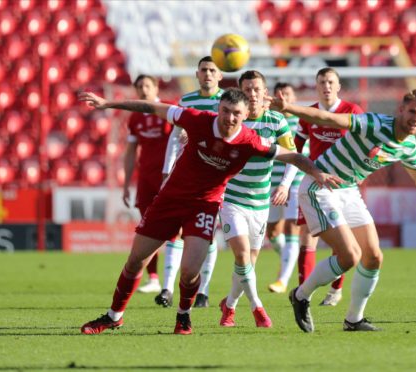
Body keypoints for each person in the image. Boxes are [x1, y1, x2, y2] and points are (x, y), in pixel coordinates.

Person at [78, 88, 342, 335]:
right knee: (136, 259)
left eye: (236, 113)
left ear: (246, 114)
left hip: (204, 205)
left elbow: (294, 156)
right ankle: (114, 316)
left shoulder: (251, 142)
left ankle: (183, 314)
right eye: (226, 110)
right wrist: (107, 103)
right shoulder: (196, 119)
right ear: (219, 107)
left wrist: (317, 173)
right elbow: (151, 106)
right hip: (169, 200)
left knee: (191, 271)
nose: (230, 117)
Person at [267, 88, 416, 333]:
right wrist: (288, 108)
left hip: (348, 190)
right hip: (321, 186)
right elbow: (329, 119)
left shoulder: (408, 146)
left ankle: (353, 320)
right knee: (349, 256)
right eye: (412, 111)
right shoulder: (373, 123)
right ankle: (301, 295)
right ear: (400, 110)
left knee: (373, 257)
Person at [218, 71, 299, 328]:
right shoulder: (232, 120)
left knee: (248, 263)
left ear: (265, 93)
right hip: (232, 199)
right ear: (241, 92)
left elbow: (293, 156)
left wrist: (285, 185)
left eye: (257, 90)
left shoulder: (276, 121)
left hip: (260, 202)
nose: (253, 95)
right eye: (248, 89)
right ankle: (258, 310)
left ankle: (229, 305)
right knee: (242, 256)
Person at [289, 67, 364, 306]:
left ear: (339, 86)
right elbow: (295, 150)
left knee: (342, 241)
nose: (327, 86)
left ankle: (335, 290)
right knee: (307, 237)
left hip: (344, 186)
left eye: (331, 82)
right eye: (322, 82)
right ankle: (303, 292)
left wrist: (361, 171)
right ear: (316, 84)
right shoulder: (309, 114)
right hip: (316, 184)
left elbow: (367, 145)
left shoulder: (352, 112)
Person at [155, 56, 224, 309]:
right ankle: (166, 288)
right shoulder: (187, 100)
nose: (207, 74)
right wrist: (166, 171)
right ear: (197, 74)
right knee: (177, 229)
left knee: (207, 234)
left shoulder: (226, 101)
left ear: (219, 75)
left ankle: (203, 291)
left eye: (212, 70)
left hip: (215, 175)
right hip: (187, 174)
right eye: (203, 70)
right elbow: (175, 138)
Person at [123, 74, 173, 294]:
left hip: (169, 177)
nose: (143, 90)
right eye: (139, 86)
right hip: (146, 179)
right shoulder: (135, 118)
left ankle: (171, 281)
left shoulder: (170, 111)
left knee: (174, 228)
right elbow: (131, 151)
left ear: (155, 87)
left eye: (147, 85)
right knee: (146, 227)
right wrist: (126, 183)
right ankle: (153, 278)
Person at [266, 82, 305, 294]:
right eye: (280, 94)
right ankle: (289, 258)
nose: (284, 97)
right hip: (272, 181)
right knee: (272, 232)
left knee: (292, 227)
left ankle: (283, 279)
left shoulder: (301, 121)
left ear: (294, 98)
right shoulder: (271, 120)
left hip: (296, 180)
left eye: (288, 94)